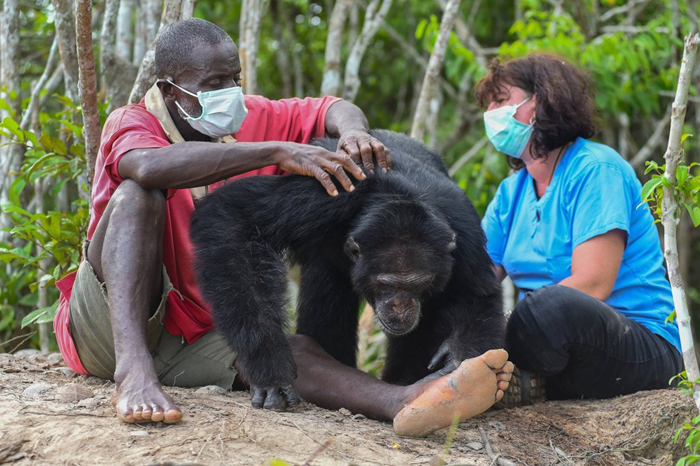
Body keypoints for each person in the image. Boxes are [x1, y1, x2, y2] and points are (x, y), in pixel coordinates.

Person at [54, 18, 512, 436]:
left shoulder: (249, 115)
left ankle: (409, 398)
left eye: (234, 78)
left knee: (299, 355)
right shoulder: (132, 121)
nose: (229, 90)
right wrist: (274, 152)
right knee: (137, 195)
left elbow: (334, 107)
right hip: (108, 326)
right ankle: (133, 372)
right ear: (171, 90)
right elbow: (148, 167)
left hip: (192, 334)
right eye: (214, 83)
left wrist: (354, 132)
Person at [475, 53, 683, 401]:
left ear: (540, 101)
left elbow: (593, 284)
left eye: (500, 101)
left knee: (551, 308)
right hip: (550, 347)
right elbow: (477, 280)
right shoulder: (510, 193)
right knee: (454, 310)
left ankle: (518, 379)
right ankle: (518, 383)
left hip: (641, 343)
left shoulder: (597, 169)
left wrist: (504, 324)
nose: (490, 115)